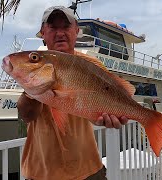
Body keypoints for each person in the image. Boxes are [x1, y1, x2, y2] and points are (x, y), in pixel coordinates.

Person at [17, 6, 128, 180]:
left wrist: (103, 118)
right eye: (53, 28)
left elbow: (96, 109)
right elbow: (27, 116)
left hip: (88, 170)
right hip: (41, 173)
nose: (60, 33)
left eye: (66, 27)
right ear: (43, 34)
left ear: (76, 31)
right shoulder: (34, 65)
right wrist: (31, 92)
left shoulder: (91, 64)